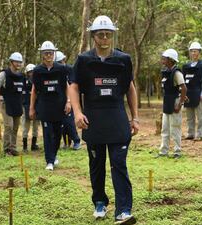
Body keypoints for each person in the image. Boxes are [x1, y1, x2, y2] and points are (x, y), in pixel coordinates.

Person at [68, 15, 139, 225]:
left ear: (113, 35)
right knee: (97, 164)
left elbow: (130, 88)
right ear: (94, 36)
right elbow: (73, 86)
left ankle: (124, 211)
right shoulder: (83, 60)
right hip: (93, 119)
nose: (105, 38)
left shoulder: (123, 60)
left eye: (108, 34)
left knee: (119, 164)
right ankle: (99, 202)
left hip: (117, 118)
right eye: (101, 34)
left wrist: (135, 117)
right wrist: (77, 113)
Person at [29, 41, 71, 171]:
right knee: (47, 134)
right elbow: (34, 90)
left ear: (54, 53)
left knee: (58, 134)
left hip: (59, 107)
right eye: (46, 53)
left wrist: (69, 101)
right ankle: (49, 161)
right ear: (42, 55)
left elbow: (67, 86)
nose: (49, 55)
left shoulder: (61, 69)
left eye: (51, 53)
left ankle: (54, 155)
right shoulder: (37, 71)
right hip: (44, 107)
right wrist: (31, 108)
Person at [0, 52, 24, 156]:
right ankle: (6, 149)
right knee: (9, 126)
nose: (19, 64)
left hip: (17, 104)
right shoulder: (4, 74)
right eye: (17, 62)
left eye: (20, 62)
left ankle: (13, 148)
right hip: (6, 104)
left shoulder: (21, 76)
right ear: (11, 62)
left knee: (15, 127)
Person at [158, 49, 187, 158]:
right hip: (167, 101)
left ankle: (177, 151)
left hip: (175, 101)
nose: (163, 60)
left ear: (171, 60)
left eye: (165, 59)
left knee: (175, 127)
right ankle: (163, 151)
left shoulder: (177, 73)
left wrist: (180, 104)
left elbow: (183, 88)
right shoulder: (166, 72)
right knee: (165, 128)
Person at [182, 41, 202, 141]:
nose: (194, 53)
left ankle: (200, 134)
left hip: (198, 93)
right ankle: (190, 133)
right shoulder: (186, 66)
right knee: (189, 115)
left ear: (199, 52)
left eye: (196, 51)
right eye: (192, 51)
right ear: (190, 52)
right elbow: (183, 81)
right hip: (188, 94)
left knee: (200, 116)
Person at [55, 51, 81, 150]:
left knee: (69, 121)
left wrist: (69, 101)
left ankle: (76, 140)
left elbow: (72, 86)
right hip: (60, 99)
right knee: (63, 123)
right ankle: (66, 143)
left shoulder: (70, 70)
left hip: (70, 100)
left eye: (61, 62)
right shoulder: (56, 71)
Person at [22, 63, 40, 152]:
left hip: (37, 106)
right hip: (26, 106)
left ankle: (34, 145)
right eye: (30, 72)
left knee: (36, 127)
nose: (31, 74)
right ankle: (25, 146)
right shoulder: (24, 82)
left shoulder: (37, 82)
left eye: (33, 72)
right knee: (26, 127)